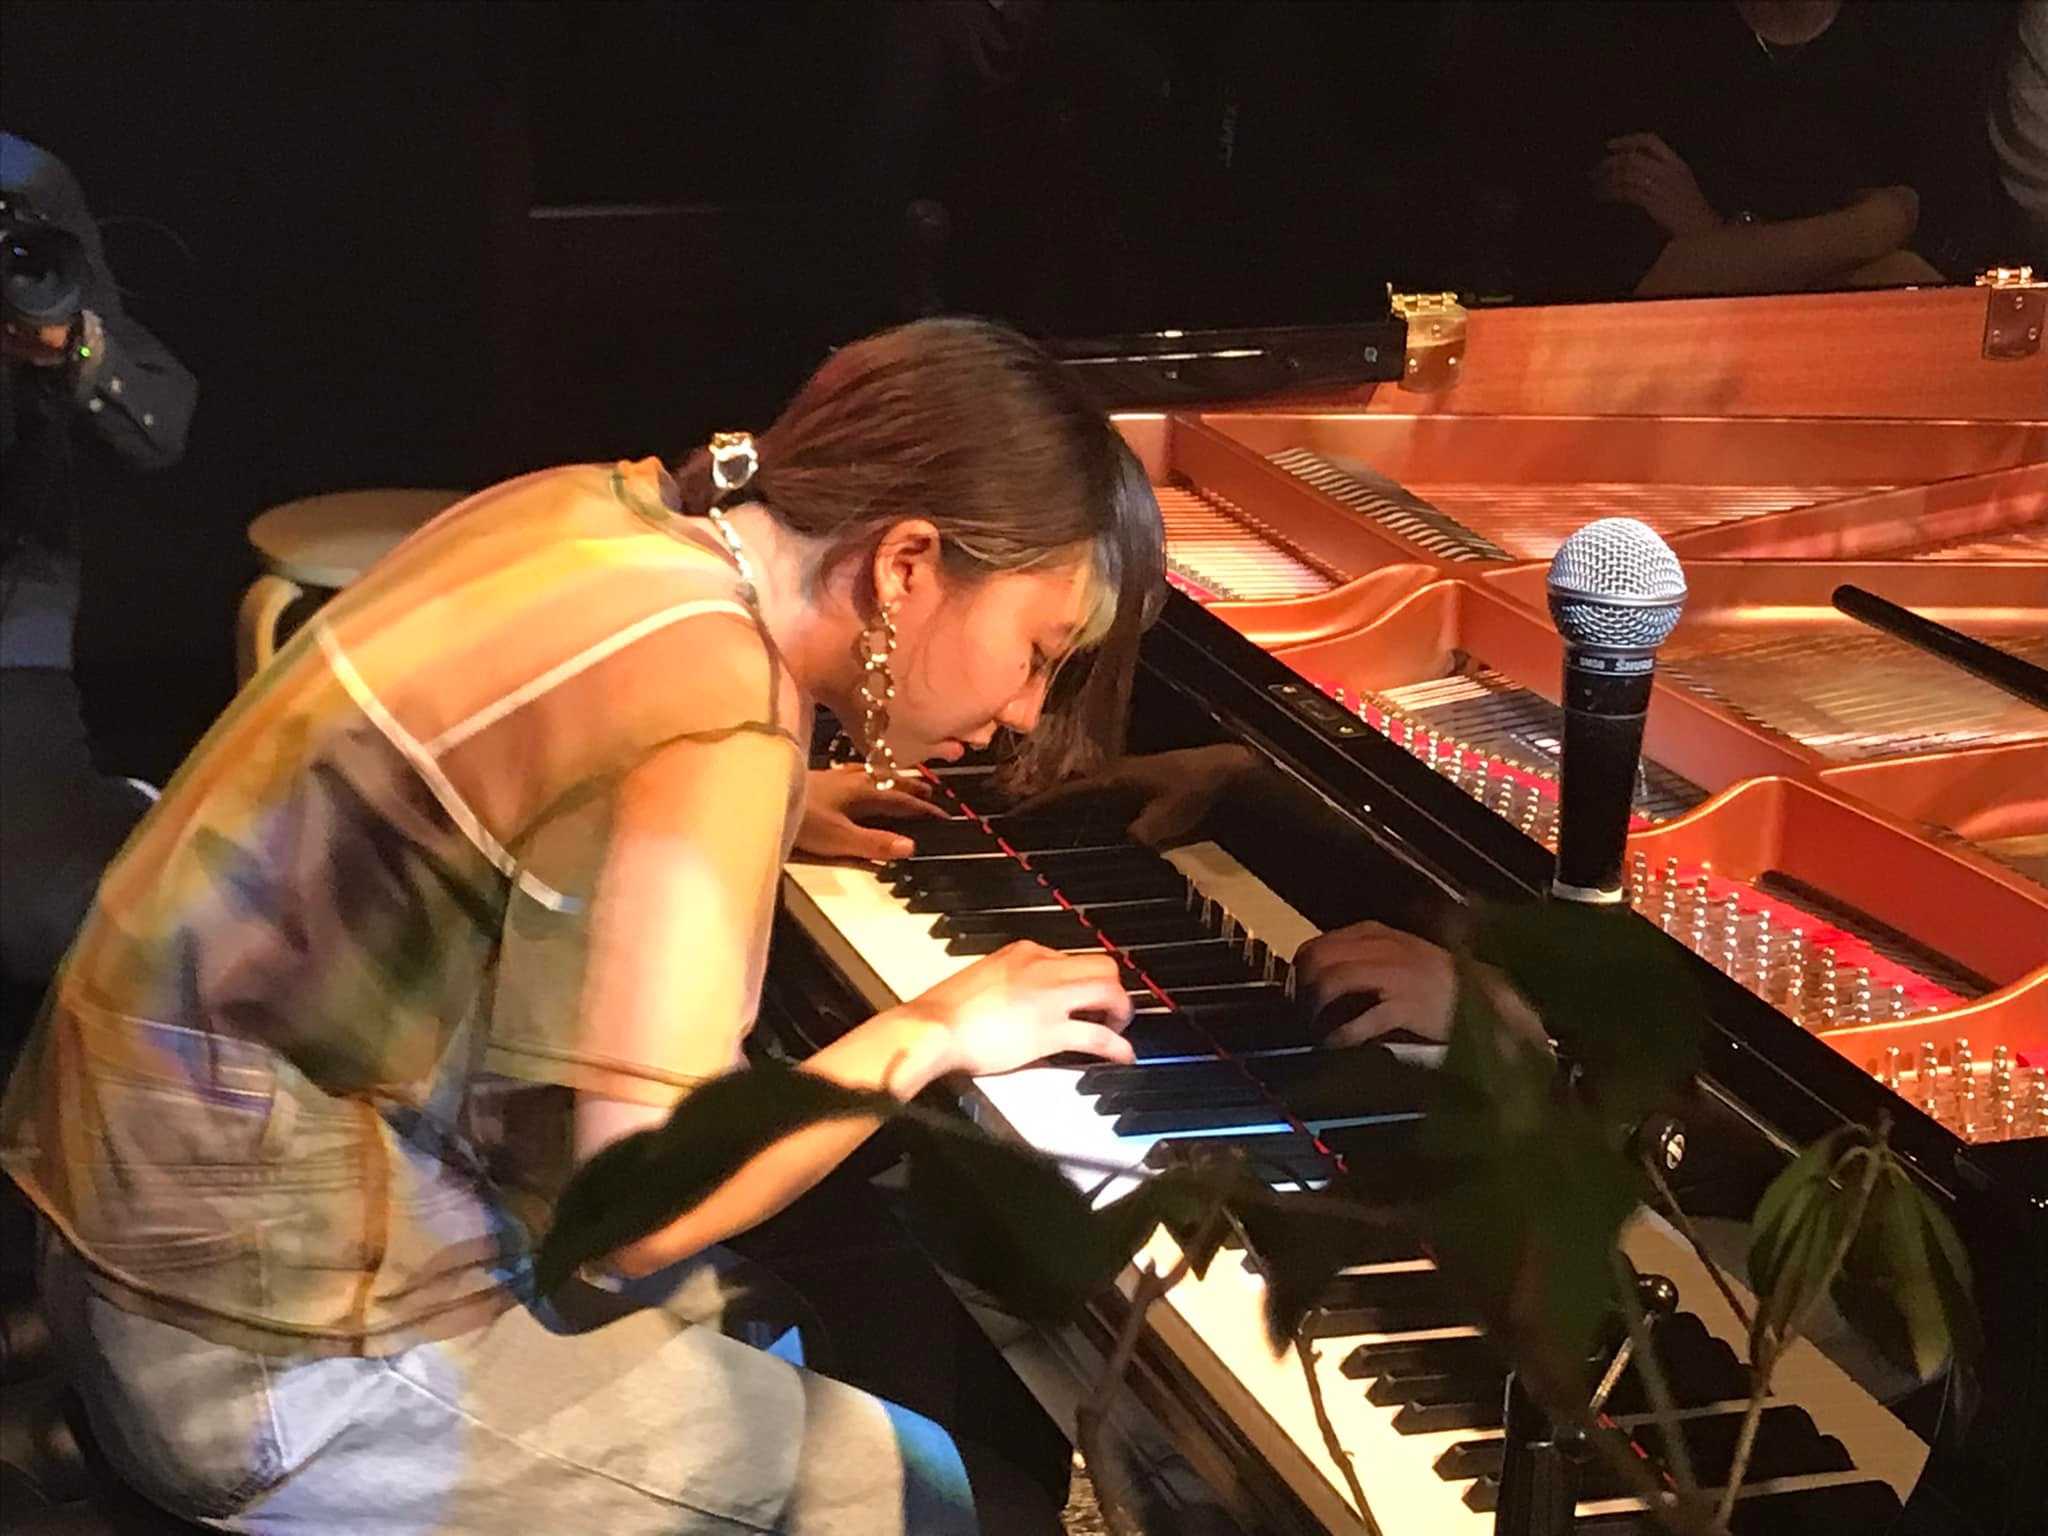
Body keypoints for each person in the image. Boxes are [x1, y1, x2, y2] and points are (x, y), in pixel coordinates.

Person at [0, 318, 1164, 1535]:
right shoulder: (704, 719)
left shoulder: (601, 512)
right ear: (906, 565)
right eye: (1037, 652)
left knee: (778, 1317)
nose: (1026, 711)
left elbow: (542, 768)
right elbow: (639, 1212)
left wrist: (762, 805)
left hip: (127, 1236)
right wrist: (928, 1034)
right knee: (958, 1503)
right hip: (272, 1357)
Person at [0, 130, 197, 1032]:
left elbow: (161, 424)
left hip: (8, 612)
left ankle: (115, 817)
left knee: (42, 919)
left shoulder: (23, 182)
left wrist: (71, 350)